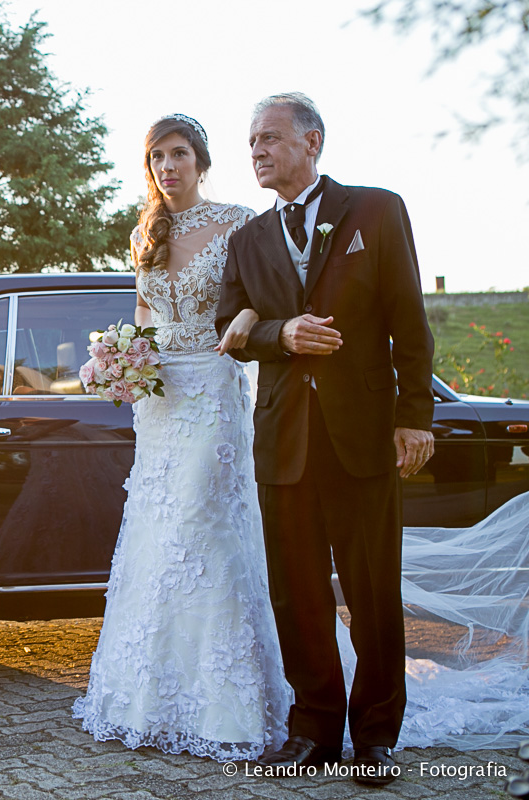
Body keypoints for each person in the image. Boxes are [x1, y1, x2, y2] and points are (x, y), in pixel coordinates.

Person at [215, 93, 435, 786]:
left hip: (363, 435)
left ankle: (375, 737)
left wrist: (415, 416)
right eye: (252, 140)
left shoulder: (376, 210)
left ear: (312, 142)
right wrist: (282, 333)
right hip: (283, 441)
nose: (258, 150)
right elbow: (232, 329)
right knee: (298, 592)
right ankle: (312, 730)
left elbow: (409, 319)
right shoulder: (247, 240)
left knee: (372, 591)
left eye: (271, 138)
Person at [72, 113, 291, 762]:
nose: (167, 167)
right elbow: (144, 314)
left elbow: (270, 295)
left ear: (201, 161)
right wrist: (123, 361)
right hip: (159, 407)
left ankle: (233, 704)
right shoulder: (146, 232)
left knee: (206, 532)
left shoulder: (239, 222)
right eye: (157, 158)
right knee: (159, 539)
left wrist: (244, 324)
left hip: (214, 392)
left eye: (178, 154)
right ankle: (153, 698)